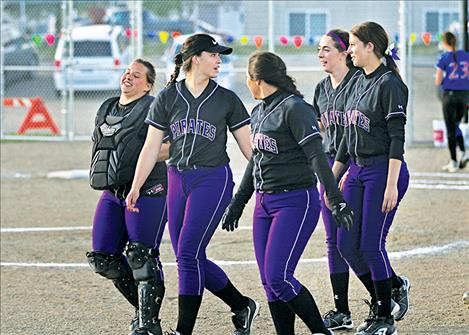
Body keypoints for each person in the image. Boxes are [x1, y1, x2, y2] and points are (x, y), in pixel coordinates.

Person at [125, 34, 259, 335]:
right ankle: (242, 305)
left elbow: (250, 150)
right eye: (214, 55)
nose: (219, 60)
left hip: (213, 179)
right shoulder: (168, 97)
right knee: (191, 256)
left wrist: (270, 178)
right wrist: (136, 186)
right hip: (176, 178)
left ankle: (182, 331)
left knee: (186, 253)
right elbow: (150, 148)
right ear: (195, 57)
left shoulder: (226, 99)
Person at [221, 51, 354, 335]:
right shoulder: (258, 111)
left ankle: (320, 331)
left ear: (257, 79)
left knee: (279, 277)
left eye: (248, 77)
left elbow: (318, 157)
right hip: (263, 203)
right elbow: (256, 161)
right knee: (269, 283)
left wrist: (335, 198)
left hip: (295, 201)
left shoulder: (295, 108)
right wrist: (238, 202)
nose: (246, 82)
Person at [330, 22, 411, 335]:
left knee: (371, 245)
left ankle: (383, 316)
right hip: (357, 171)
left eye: (353, 44)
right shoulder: (355, 82)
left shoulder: (389, 83)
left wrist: (391, 183)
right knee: (346, 245)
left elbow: (396, 139)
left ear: (370, 47)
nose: (349, 50)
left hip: (383, 170)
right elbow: (345, 140)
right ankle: (392, 288)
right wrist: (331, 178)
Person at [86, 58, 170, 335]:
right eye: (126, 73)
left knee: (141, 256)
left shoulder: (154, 106)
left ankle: (147, 325)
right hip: (114, 191)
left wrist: (139, 161)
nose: (128, 78)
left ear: (147, 85)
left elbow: (170, 146)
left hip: (148, 189)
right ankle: (144, 312)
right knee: (103, 257)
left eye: (136, 75)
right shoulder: (107, 107)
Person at [313, 29, 361, 331]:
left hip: (354, 164)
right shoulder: (321, 88)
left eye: (327, 49)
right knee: (332, 240)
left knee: (356, 240)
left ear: (345, 53)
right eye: (319, 49)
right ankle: (342, 310)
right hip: (328, 165)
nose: (321, 54)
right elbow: (319, 127)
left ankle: (390, 286)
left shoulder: (358, 83)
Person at [435, 31, 469, 172]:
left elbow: (438, 80)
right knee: (455, 125)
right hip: (465, 96)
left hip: (450, 95)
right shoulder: (466, 56)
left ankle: (454, 161)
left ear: (444, 43)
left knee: (450, 129)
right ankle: (463, 152)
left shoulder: (444, 58)